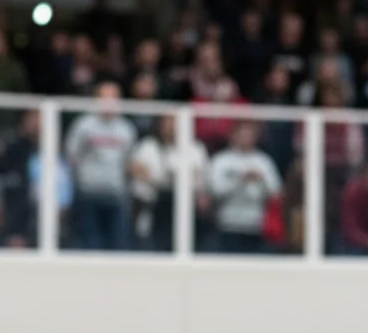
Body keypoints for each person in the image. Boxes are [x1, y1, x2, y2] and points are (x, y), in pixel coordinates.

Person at [63, 80, 138, 250]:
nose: (110, 102)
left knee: (118, 245)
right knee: (89, 245)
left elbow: (129, 162)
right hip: (88, 194)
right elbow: (71, 156)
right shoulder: (83, 125)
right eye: (105, 97)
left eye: (114, 97)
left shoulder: (126, 128)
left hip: (116, 195)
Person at [130, 114, 208, 252]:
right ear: (160, 124)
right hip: (154, 205)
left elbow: (200, 177)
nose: (172, 126)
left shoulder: (195, 149)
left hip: (185, 208)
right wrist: (162, 181)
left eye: (175, 122)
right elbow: (136, 170)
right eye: (168, 122)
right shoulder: (148, 146)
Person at [206, 121, 282, 254]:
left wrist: (261, 179)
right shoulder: (221, 160)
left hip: (256, 225)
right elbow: (215, 191)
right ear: (232, 135)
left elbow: (276, 192)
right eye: (242, 134)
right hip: (228, 224)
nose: (245, 138)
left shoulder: (263, 161)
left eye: (249, 134)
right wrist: (240, 181)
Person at [0, 110, 39, 248]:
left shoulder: (48, 145)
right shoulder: (14, 145)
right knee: (16, 236)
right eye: (32, 120)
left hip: (40, 199)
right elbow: (0, 168)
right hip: (19, 200)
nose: (36, 124)